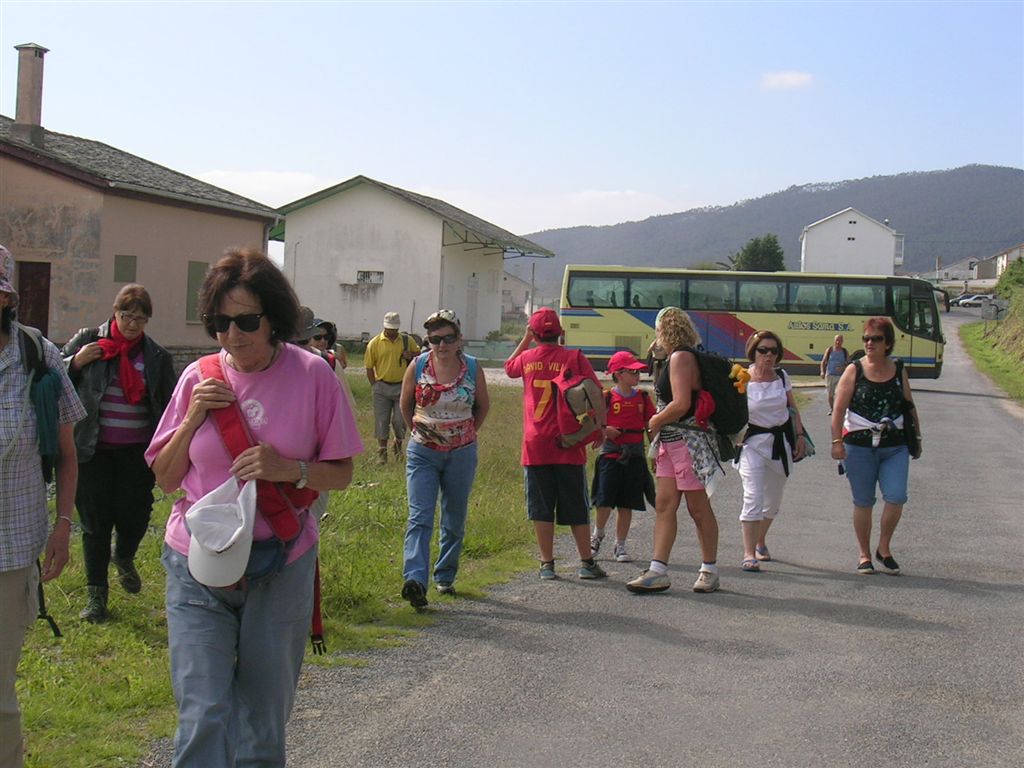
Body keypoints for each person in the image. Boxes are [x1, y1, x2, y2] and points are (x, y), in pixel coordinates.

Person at [146, 247, 362, 767]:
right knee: (203, 712)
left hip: (280, 564)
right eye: (220, 323)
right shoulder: (197, 378)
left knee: (262, 723)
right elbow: (165, 477)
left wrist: (288, 468)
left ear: (274, 319)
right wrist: (193, 417)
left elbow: (342, 473)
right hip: (197, 564)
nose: (232, 335)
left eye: (245, 321)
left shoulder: (313, 375)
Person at [1, 244, 86, 768]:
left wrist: (63, 526)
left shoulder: (37, 355)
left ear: (5, 297)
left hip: (10, 550)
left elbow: (69, 454)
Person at [60, 284, 177, 623]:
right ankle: (96, 597)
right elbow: (53, 378)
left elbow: (170, 406)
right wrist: (75, 362)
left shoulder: (156, 357)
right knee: (95, 524)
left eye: (140, 319)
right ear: (115, 313)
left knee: (135, 515)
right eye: (127, 316)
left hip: (137, 454)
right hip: (92, 450)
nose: (132, 324)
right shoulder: (88, 341)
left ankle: (123, 555)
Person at [626, 307, 724, 594]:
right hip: (672, 442)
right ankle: (658, 570)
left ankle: (709, 569)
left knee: (698, 507)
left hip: (687, 442)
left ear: (663, 330)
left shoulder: (681, 357)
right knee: (665, 504)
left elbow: (681, 403)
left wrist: (655, 420)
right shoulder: (675, 357)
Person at [505, 307, 607, 581]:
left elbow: (508, 368)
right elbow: (596, 392)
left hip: (535, 444)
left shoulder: (527, 358)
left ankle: (547, 564)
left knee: (541, 506)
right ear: (560, 332)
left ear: (535, 333)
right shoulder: (574, 357)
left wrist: (525, 339)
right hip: (569, 442)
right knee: (576, 506)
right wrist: (600, 427)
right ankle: (586, 562)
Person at [398, 309, 489, 607]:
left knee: (453, 519)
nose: (441, 344)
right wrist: (422, 432)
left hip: (461, 454)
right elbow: (405, 405)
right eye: (435, 339)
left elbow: (483, 406)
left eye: (448, 338)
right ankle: (415, 580)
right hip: (423, 453)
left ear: (459, 338)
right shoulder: (418, 365)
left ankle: (445, 576)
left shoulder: (472, 367)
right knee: (420, 517)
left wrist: (463, 435)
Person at [831, 317, 921, 575]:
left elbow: (909, 404)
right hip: (858, 447)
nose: (870, 343)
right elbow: (838, 410)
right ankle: (864, 554)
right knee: (863, 501)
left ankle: (884, 548)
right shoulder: (854, 370)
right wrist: (837, 442)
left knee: (896, 496)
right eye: (866, 338)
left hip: (895, 446)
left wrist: (917, 437)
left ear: (888, 343)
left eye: (876, 339)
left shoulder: (898, 369)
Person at [736, 330, 806, 571]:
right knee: (752, 496)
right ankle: (749, 554)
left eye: (773, 351)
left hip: (779, 444)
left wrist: (799, 436)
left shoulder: (782, 377)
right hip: (751, 445)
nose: (768, 355)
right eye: (763, 350)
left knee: (773, 502)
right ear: (753, 352)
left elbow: (792, 409)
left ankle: (760, 539)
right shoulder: (743, 377)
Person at [590, 350, 655, 563]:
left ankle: (620, 545)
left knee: (627, 502)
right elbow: (591, 421)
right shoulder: (606, 397)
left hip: (634, 455)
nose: (637, 375)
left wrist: (655, 452)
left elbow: (650, 425)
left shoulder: (643, 397)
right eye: (632, 372)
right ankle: (597, 536)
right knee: (604, 500)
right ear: (618, 374)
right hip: (611, 454)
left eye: (638, 371)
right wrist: (605, 429)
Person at [364, 311, 416, 463]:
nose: (392, 331)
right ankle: (382, 452)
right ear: (384, 326)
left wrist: (410, 355)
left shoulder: (407, 340)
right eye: (389, 328)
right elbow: (369, 367)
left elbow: (419, 355)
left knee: (401, 420)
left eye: (394, 329)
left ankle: (398, 444)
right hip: (382, 386)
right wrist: (375, 385)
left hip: (402, 386)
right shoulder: (374, 343)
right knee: (381, 420)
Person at [820, 334, 849, 415]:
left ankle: (839, 410)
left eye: (840, 340)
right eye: (837, 340)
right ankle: (832, 409)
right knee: (830, 394)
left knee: (840, 394)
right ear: (834, 341)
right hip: (830, 375)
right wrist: (822, 371)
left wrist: (843, 368)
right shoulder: (829, 350)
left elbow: (849, 364)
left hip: (841, 376)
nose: (838, 342)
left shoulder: (844, 351)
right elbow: (823, 362)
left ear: (842, 341)